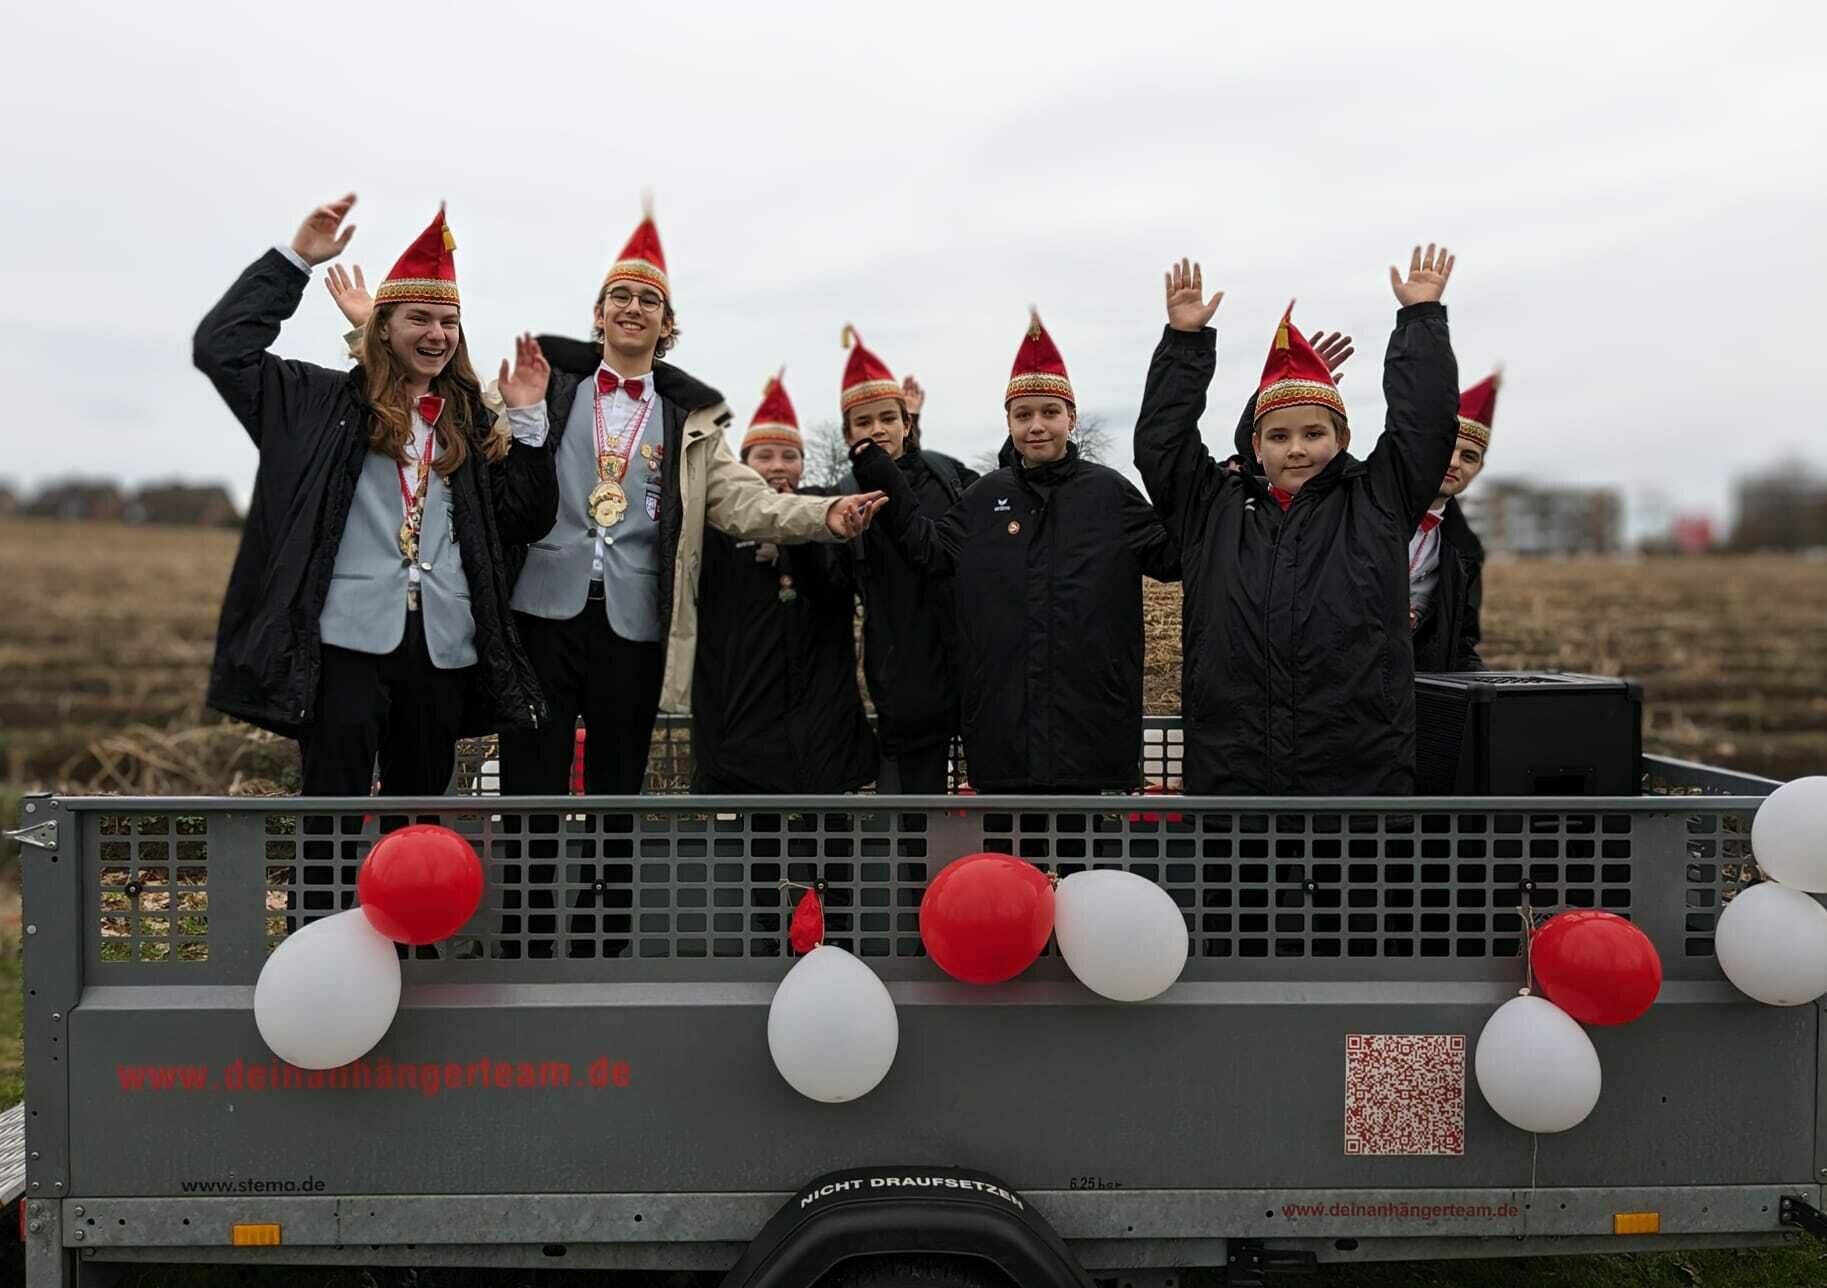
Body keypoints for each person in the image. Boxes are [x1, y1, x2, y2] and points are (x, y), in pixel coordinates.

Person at [483, 201, 885, 795]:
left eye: (649, 301)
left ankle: (609, 892)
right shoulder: (543, 384)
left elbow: (749, 502)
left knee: (617, 787)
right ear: (599, 313)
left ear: (667, 324)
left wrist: (825, 513)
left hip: (636, 621)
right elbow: (455, 423)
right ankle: (528, 893)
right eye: (620, 296)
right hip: (541, 611)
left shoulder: (690, 421)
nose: (633, 308)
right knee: (529, 783)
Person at [193, 194, 558, 795]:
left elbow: (526, 519)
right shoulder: (317, 404)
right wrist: (295, 262)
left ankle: (407, 896)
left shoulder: (468, 424)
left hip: (444, 646)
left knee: (418, 813)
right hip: (345, 642)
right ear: (381, 329)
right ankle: (327, 897)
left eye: (447, 322)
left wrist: (529, 427)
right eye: (417, 318)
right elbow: (221, 349)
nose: (436, 334)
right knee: (330, 808)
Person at [1134, 245, 1460, 795]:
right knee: (1237, 885)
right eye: (1280, 437)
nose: (1297, 450)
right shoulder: (1211, 508)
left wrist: (1421, 319)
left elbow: (1425, 427)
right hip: (1232, 770)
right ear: (1255, 445)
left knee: (1361, 884)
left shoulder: (1378, 499)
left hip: (1358, 770)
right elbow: (1161, 444)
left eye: (1314, 434)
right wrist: (1184, 345)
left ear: (1342, 439)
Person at [852, 310, 1180, 793]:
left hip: (1092, 733)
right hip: (1003, 736)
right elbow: (931, 553)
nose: (1037, 426)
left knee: (1086, 865)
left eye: (1049, 412)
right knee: (1005, 863)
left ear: (1072, 417)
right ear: (1008, 421)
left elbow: (1171, 559)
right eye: (1023, 415)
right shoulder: (985, 497)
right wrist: (888, 480)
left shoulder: (1111, 493)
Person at [690, 371, 878, 793]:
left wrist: (800, 540)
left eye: (789, 456)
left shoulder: (831, 520)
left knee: (827, 849)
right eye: (765, 456)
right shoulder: (716, 530)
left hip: (823, 728)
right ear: (742, 465)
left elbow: (842, 584)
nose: (778, 467)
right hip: (742, 724)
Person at [836, 328, 977, 792]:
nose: (877, 430)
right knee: (919, 802)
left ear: (907, 424)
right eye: (863, 422)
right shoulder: (843, 497)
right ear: (847, 435)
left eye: (887, 418)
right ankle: (922, 869)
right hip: (903, 671)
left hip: (970, 661)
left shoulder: (947, 474)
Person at [1410, 373, 1496, 672]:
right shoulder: (1364, 502)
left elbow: (1460, 643)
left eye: (1469, 456)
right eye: (1447, 448)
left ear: (1478, 469)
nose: (1455, 462)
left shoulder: (1467, 551)